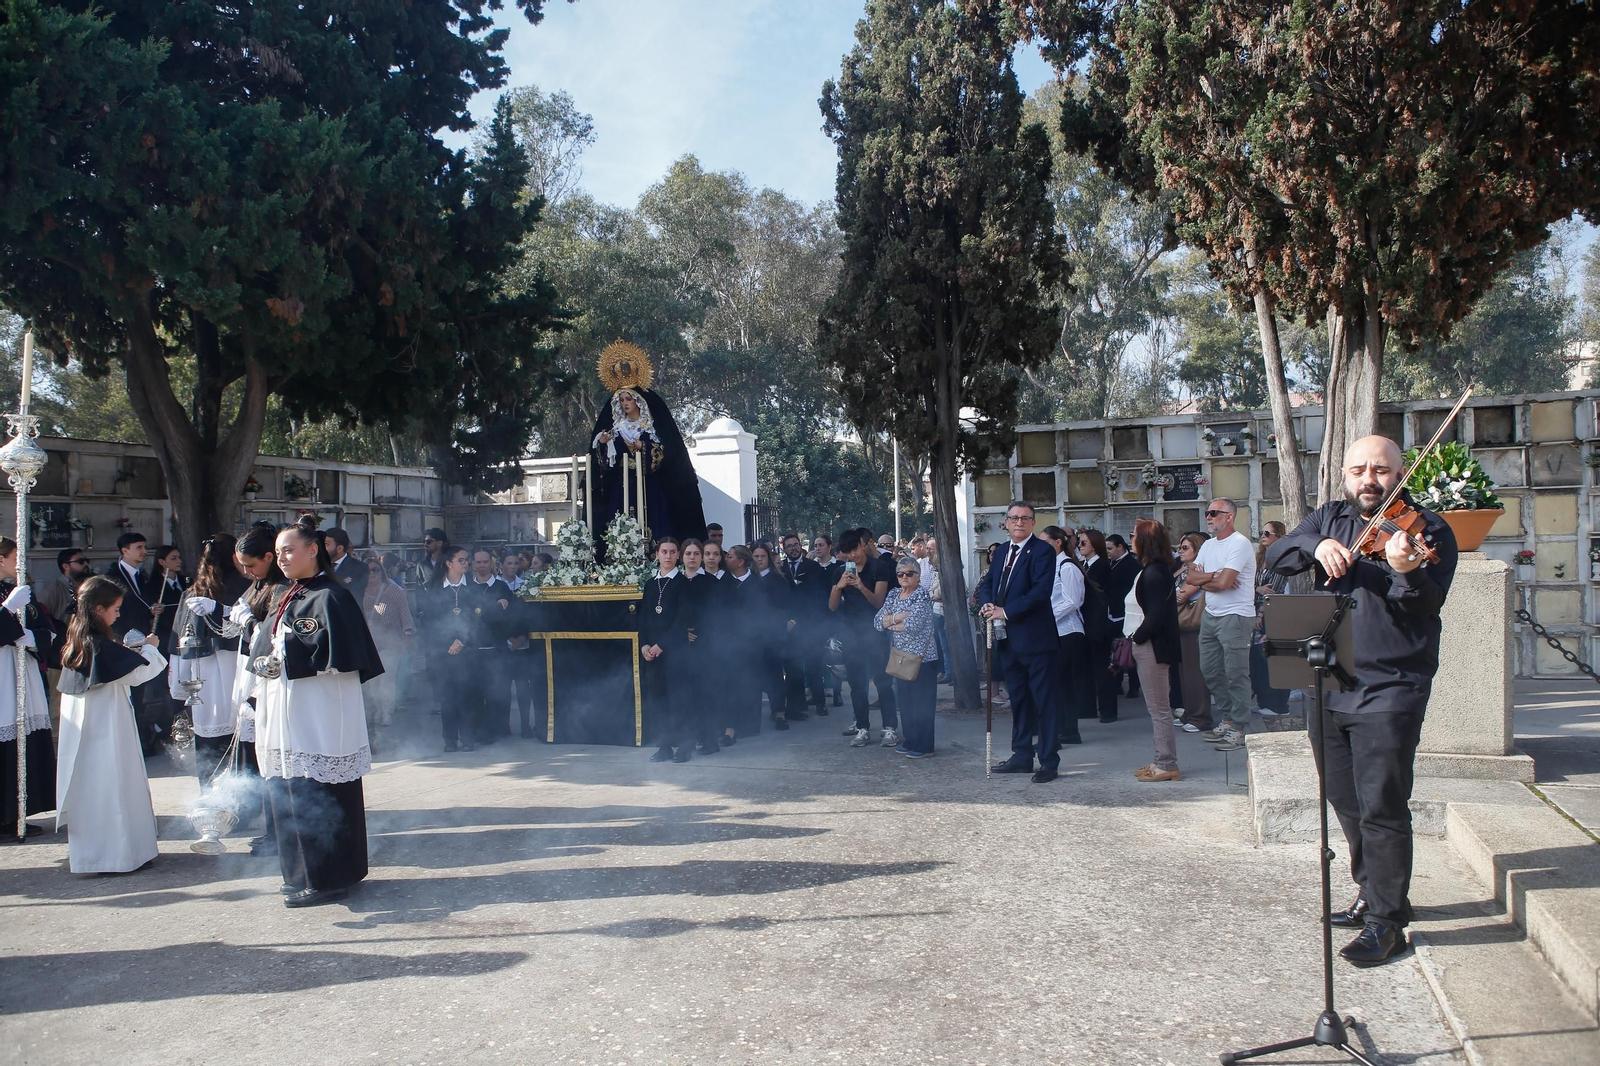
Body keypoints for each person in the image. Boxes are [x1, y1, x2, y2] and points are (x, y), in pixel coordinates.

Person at [1266, 434, 1458, 967]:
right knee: (1345, 799)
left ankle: (1387, 923)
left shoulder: (1427, 530)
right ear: (1345, 475)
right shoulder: (1328, 517)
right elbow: (1278, 555)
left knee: (1382, 805)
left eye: (1381, 470)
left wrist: (1406, 570)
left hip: (1391, 685)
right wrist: (1315, 546)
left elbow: (1426, 605)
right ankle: (1373, 893)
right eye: (1359, 470)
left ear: (1400, 473)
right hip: (1328, 679)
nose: (1369, 480)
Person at [253, 523, 383, 907]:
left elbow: (343, 656)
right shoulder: (286, 594)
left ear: (313, 550)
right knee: (290, 790)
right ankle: (299, 873)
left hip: (320, 714)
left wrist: (288, 653)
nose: (282, 558)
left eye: (289, 550)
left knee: (320, 790)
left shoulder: (332, 596)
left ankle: (328, 878)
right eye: (279, 552)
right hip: (285, 709)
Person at [54, 576, 166, 873]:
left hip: (89, 726)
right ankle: (118, 857)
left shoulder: (78, 641)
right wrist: (151, 648)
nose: (118, 615)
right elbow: (137, 674)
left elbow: (116, 667)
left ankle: (97, 856)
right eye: (115, 609)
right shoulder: (97, 644)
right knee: (113, 783)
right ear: (99, 609)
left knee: (93, 788)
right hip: (105, 726)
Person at [977, 502, 1061, 783]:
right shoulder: (1002, 550)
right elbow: (989, 583)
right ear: (1006, 522)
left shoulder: (1042, 551)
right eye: (1014, 518)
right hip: (1008, 640)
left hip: (1036, 640)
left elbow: (1040, 592)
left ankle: (1048, 761)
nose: (1019, 523)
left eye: (1025, 518)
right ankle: (1022, 756)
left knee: (1045, 702)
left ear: (1033, 523)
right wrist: (987, 603)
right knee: (1019, 700)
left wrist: (1006, 611)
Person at [589, 381, 708, 544]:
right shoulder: (617, 429)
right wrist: (604, 444)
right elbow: (606, 464)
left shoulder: (651, 427)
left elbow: (668, 454)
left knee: (653, 519)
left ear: (638, 401)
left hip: (649, 484)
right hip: (622, 485)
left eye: (628, 399)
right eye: (621, 400)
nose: (625, 404)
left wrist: (643, 446)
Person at [169, 535, 247, 787]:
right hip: (240, 670)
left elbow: (178, 647)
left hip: (204, 679)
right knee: (243, 736)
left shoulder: (192, 593)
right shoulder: (248, 589)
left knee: (212, 740)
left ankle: (212, 794)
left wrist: (179, 689)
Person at [1183, 498, 1257, 752]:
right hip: (1211, 614)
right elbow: (1191, 577)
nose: (1209, 517)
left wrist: (1206, 580)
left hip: (1235, 615)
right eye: (1208, 512)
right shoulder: (1208, 545)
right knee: (1210, 670)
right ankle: (1227, 719)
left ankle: (1239, 727)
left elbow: (1225, 584)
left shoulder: (1239, 543)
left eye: (1214, 513)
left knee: (1236, 673)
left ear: (1229, 516)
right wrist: (1214, 576)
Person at [230, 524, 286, 855]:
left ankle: (279, 834)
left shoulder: (281, 587)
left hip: (269, 678)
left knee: (272, 758)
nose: (247, 572)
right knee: (261, 757)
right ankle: (272, 829)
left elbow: (271, 633)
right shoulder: (260, 583)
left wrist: (249, 622)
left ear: (268, 557)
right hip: (252, 676)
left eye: (251, 565)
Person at [1, 538, 56, 834]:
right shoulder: (10, 596)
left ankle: (15, 813)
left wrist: (33, 638)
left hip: (22, 672)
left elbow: (45, 627)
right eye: (15, 557)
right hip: (2, 677)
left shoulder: (15, 589)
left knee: (22, 742)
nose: (20, 564)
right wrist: (7, 609)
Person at [828, 528, 898, 747]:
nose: (853, 555)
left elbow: (879, 602)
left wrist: (860, 585)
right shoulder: (840, 572)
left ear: (862, 545)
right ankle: (862, 727)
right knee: (857, 684)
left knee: (883, 682)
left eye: (855, 549)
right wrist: (839, 587)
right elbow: (832, 607)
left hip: (875, 631)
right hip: (851, 633)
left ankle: (889, 728)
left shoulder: (879, 567)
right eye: (847, 552)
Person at [1125, 519, 1182, 783]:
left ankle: (1167, 763)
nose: (1131, 538)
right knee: (1156, 708)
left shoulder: (1156, 572)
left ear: (1145, 540)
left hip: (1153, 647)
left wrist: (1137, 637)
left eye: (1134, 534)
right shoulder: (1151, 570)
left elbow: (1156, 614)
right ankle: (1160, 759)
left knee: (1159, 709)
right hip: (1148, 645)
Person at [874, 558, 940, 757]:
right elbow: (877, 622)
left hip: (922, 659)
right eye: (900, 574)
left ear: (918, 576)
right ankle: (910, 740)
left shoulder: (921, 594)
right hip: (900, 657)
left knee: (922, 703)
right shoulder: (894, 594)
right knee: (905, 703)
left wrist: (890, 621)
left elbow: (913, 625)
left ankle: (925, 746)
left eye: (909, 573)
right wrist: (899, 618)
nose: (904, 577)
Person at [423, 546, 479, 752]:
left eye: (467, 559)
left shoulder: (472, 587)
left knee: (467, 696)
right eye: (461, 560)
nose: (466, 563)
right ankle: (449, 740)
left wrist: (462, 640)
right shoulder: (434, 589)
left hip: (467, 651)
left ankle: (468, 738)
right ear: (448, 563)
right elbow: (429, 621)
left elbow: (476, 618)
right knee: (447, 698)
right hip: (443, 652)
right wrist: (448, 642)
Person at [643, 539, 694, 762]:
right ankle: (664, 746)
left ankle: (684, 745)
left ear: (677, 555)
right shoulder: (650, 584)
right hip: (653, 654)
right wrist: (644, 644)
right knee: (659, 701)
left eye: (673, 552)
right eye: (664, 552)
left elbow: (682, 620)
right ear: (657, 554)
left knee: (679, 700)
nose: (668, 556)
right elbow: (644, 618)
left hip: (675, 653)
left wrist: (661, 645)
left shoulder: (683, 584)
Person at [361, 551, 415, 749]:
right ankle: (375, 712)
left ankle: (386, 713)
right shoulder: (359, 591)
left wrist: (408, 631)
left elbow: (405, 613)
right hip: (369, 644)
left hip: (391, 643)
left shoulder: (393, 590)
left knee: (387, 678)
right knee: (371, 682)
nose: (372, 573)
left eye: (375, 569)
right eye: (368, 570)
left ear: (381, 571)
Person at [1040, 526, 1085, 747]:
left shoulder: (1067, 566)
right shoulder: (1051, 565)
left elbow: (1073, 600)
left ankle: (1061, 731)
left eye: (1046, 542)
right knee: (1061, 683)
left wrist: (1047, 617)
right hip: (1056, 630)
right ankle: (1067, 730)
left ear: (1058, 542)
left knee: (1058, 682)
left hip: (1067, 631)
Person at [40, 547, 91, 736]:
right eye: (80, 561)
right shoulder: (52, 590)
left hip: (85, 653)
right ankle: (56, 747)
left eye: (86, 561)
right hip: (59, 657)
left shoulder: (88, 587)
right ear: (66, 566)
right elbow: (41, 618)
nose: (85, 565)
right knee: (58, 704)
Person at [780, 532, 827, 718]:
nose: (793, 548)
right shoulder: (781, 567)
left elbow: (816, 594)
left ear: (800, 546)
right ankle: (799, 706)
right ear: (784, 549)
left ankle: (820, 703)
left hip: (810, 623)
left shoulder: (812, 566)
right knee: (794, 668)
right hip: (790, 626)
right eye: (789, 546)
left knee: (814, 665)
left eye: (796, 545)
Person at [470, 548, 515, 741]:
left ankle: (498, 728)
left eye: (485, 562)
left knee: (497, 690)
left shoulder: (501, 587)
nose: (482, 565)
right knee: (476, 691)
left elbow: (506, 615)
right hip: (473, 647)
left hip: (496, 647)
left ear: (491, 563)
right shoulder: (467, 587)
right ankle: (480, 730)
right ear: (473, 564)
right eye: (478, 562)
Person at [723, 545, 766, 739]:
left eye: (730, 556)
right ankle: (731, 724)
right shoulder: (725, 582)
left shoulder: (757, 583)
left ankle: (750, 724)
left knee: (750, 683)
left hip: (751, 642)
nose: (726, 559)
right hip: (729, 641)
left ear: (740, 562)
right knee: (731, 684)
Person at [1173, 533, 1214, 734]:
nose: (1180, 551)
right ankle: (1190, 712)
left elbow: (1181, 596)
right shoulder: (1184, 570)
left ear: (1198, 550)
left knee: (1195, 672)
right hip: (1183, 625)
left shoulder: (1198, 570)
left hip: (1194, 625)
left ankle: (1200, 716)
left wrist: (1171, 594)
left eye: (1185, 548)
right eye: (1179, 547)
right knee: (1185, 672)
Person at [1076, 529, 1118, 722]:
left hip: (1099, 623)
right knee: (1085, 667)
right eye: (1079, 542)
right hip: (1087, 622)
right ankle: (1087, 708)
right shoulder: (1084, 564)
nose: (1080, 546)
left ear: (1094, 544)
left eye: (1084, 542)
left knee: (1102, 668)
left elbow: (1096, 591)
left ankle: (1108, 710)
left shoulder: (1101, 565)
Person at [1250, 522, 1292, 717]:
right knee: (1259, 659)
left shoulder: (1281, 560)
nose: (1263, 536)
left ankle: (1278, 705)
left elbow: (1273, 591)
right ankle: (1264, 700)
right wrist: (1256, 589)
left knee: (1272, 658)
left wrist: (1261, 613)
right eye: (1262, 532)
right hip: (1257, 610)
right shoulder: (1260, 558)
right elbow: (1252, 585)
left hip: (1273, 613)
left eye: (1267, 533)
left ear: (1278, 536)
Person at [751, 542, 794, 729]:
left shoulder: (778, 580)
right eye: (756, 556)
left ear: (768, 558)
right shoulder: (748, 579)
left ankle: (779, 714)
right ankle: (752, 718)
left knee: (775, 676)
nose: (759, 560)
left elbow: (785, 606)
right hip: (752, 635)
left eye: (763, 556)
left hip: (773, 635)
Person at [1104, 534, 1140, 699]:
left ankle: (1134, 685)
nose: (1108, 552)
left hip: (1125, 613)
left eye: (1110, 548)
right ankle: (1117, 683)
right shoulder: (1111, 563)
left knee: (1128, 651)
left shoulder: (1131, 564)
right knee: (1115, 651)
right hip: (1113, 613)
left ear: (1120, 547)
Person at [324, 528, 369, 599]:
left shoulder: (359, 568)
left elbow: (354, 595)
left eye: (326, 544)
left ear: (339, 548)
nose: (322, 548)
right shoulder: (319, 567)